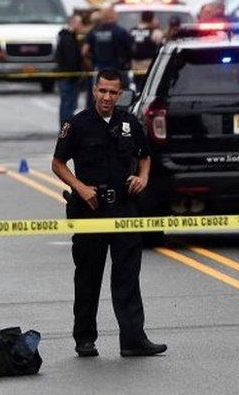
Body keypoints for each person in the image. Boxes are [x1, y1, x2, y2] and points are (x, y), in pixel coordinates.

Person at [52, 68, 167, 358]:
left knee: (127, 278)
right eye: (102, 91)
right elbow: (58, 163)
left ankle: (133, 340)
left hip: (125, 210)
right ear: (94, 90)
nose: (107, 97)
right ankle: (85, 339)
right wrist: (80, 187)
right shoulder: (77, 124)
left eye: (113, 92)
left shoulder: (129, 123)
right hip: (91, 211)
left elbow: (145, 157)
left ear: (120, 94)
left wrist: (143, 178)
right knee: (88, 278)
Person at [82, 8, 134, 107]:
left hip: (100, 71)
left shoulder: (94, 31)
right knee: (121, 99)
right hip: (119, 71)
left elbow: (84, 51)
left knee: (100, 98)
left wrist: (91, 62)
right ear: (112, 16)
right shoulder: (120, 31)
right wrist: (127, 61)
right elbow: (132, 48)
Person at [55, 15, 84, 126]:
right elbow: (70, 58)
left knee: (68, 103)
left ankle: (66, 126)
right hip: (68, 77)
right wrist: (74, 75)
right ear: (72, 23)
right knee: (68, 104)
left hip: (67, 76)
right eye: (79, 22)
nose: (81, 25)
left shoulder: (68, 36)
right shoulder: (68, 38)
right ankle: (66, 127)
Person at [129, 10, 164, 90]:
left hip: (135, 66)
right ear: (152, 19)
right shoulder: (155, 32)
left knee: (138, 88)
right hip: (150, 66)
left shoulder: (132, 31)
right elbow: (161, 46)